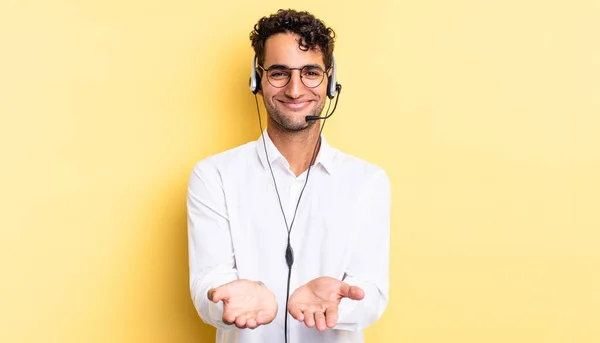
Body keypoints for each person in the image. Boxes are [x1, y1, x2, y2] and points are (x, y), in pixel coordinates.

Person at [187, 9, 391, 343]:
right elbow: (207, 286)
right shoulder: (213, 176)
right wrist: (225, 300)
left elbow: (372, 292)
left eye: (310, 72)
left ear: (330, 81)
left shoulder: (367, 181)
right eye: (280, 73)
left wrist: (342, 303)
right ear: (257, 80)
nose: (295, 90)